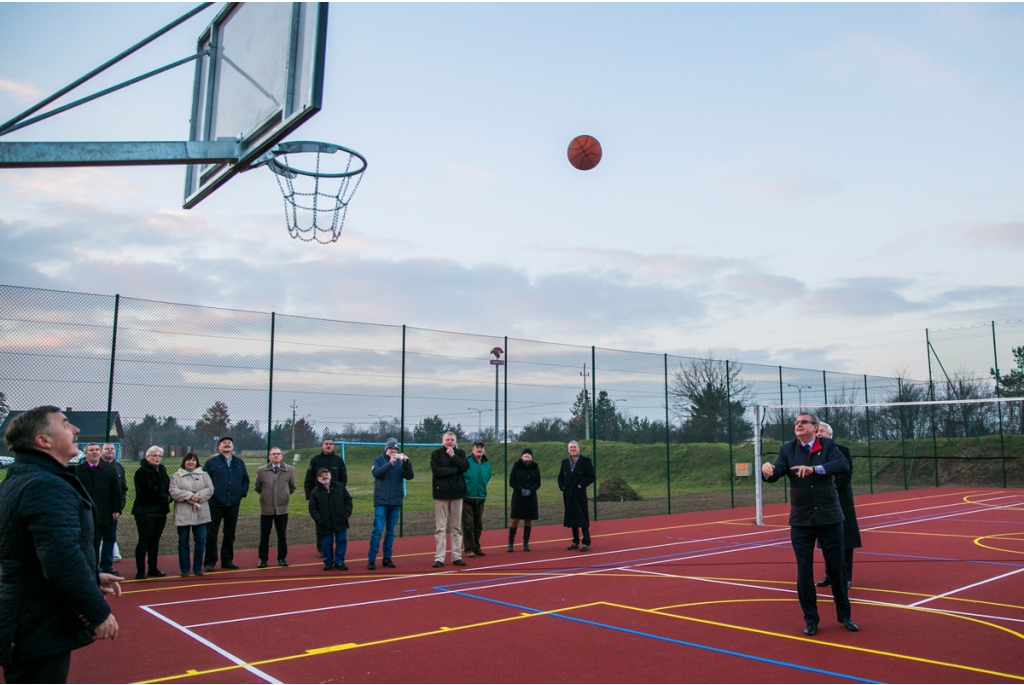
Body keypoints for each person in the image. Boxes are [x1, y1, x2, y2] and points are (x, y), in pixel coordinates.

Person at [0, 406, 121, 684]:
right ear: (44, 441)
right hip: (37, 626)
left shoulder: (24, 477)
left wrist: (91, 575)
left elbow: (34, 552)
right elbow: (60, 558)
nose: (76, 429)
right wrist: (97, 613)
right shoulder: (46, 484)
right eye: (66, 424)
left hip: (30, 621)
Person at [761, 412, 858, 636]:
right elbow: (776, 474)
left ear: (815, 428)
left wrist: (815, 469)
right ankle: (811, 620)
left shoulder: (828, 446)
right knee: (804, 572)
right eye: (796, 423)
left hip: (830, 518)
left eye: (803, 422)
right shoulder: (787, 450)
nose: (798, 426)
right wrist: (768, 472)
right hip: (801, 520)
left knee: (837, 570)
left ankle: (845, 615)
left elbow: (841, 464)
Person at [816, 422, 862, 590]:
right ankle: (830, 575)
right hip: (822, 504)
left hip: (841, 502)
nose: (819, 433)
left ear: (830, 434)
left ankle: (845, 577)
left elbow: (844, 477)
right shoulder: (813, 453)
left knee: (845, 542)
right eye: (817, 431)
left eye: (822, 431)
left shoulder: (843, 451)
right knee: (826, 540)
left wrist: (826, 486)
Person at [74, 442, 123, 574]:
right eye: (91, 450)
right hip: (87, 513)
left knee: (109, 539)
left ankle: (107, 566)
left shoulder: (109, 469)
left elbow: (116, 491)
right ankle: (92, 566)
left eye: (97, 450)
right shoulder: (78, 471)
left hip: (107, 512)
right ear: (85, 454)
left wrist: (116, 509)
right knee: (91, 541)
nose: (95, 452)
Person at [203, 436, 250, 571]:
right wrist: (212, 495)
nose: (227, 445)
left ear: (233, 447)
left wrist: (242, 492)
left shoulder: (239, 463)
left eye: (229, 443)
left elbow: (245, 480)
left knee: (230, 533)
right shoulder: (211, 462)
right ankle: (210, 561)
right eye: (224, 443)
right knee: (212, 533)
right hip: (215, 504)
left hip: (233, 503)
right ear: (219, 447)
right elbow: (205, 480)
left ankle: (227, 560)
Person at [368, 437, 414, 570]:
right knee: (377, 530)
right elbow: (377, 473)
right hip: (381, 501)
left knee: (390, 531)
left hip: (395, 500)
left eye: (395, 449)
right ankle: (371, 559)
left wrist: (406, 463)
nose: (393, 451)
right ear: (386, 449)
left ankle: (387, 558)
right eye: (391, 448)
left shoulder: (400, 462)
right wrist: (390, 464)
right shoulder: (378, 460)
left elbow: (410, 476)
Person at [168, 453, 214, 577]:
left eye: (193, 460)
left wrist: (197, 498)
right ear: (184, 462)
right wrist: (189, 496)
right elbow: (173, 492)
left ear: (196, 462)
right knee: (183, 541)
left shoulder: (204, 475)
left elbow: (210, 489)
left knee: (200, 540)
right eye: (188, 460)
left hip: (201, 513)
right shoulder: (175, 477)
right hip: (183, 513)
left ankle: (198, 567)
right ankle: (184, 569)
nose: (191, 462)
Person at [430, 431, 470, 568]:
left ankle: (456, 556)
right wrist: (454, 470)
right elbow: (437, 471)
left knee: (456, 527)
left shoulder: (461, 454)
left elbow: (464, 467)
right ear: (442, 441)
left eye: (452, 440)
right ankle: (439, 558)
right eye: (447, 439)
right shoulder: (436, 454)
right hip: (441, 495)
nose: (449, 442)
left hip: (457, 494)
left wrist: (453, 457)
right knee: (440, 528)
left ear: (455, 441)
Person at [303, 438, 347, 558]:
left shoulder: (338, 461)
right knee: (321, 524)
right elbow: (308, 479)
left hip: (335, 498)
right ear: (322, 446)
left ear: (333, 446)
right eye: (326, 444)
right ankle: (321, 548)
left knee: (337, 524)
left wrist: (341, 493)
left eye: (331, 444)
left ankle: (338, 550)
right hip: (320, 498)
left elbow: (343, 478)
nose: (328, 446)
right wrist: (309, 496)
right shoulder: (315, 460)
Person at [255, 447, 297, 568]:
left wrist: (284, 496)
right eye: (273, 454)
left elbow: (292, 487)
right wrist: (266, 497)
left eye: (278, 454)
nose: (276, 456)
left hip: (282, 509)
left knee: (282, 535)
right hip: (266, 509)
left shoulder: (289, 470)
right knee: (264, 536)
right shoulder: (261, 471)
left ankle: (282, 558)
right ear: (269, 457)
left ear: (282, 456)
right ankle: (263, 559)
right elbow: (258, 487)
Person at [133, 445, 171, 580]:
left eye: (159, 456)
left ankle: (153, 568)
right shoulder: (141, 472)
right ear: (147, 457)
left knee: (155, 541)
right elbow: (144, 492)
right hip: (145, 511)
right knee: (144, 540)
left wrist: (169, 497)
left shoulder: (162, 471)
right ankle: (140, 570)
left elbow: (168, 487)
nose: (157, 458)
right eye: (154, 455)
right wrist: (163, 498)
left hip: (161, 511)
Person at [308, 467, 353, 571]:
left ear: (330, 475)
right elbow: (312, 508)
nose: (324, 476)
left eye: (326, 474)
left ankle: (339, 562)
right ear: (318, 478)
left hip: (340, 520)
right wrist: (319, 520)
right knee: (326, 543)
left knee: (341, 541)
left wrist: (347, 514)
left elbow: (348, 500)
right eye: (321, 475)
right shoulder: (315, 492)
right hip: (325, 523)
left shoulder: (340, 487)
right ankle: (328, 562)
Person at [558, 440, 595, 551]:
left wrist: (582, 484)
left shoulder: (586, 461)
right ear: (568, 450)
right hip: (568, 494)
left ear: (579, 449)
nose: (573, 449)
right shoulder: (565, 462)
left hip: (579, 493)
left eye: (574, 447)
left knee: (582, 516)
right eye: (571, 447)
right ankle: (575, 541)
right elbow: (560, 477)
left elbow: (591, 476)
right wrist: (562, 487)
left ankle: (586, 542)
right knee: (572, 517)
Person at [462, 440, 492, 558]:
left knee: (478, 524)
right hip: (467, 497)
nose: (479, 449)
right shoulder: (467, 462)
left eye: (481, 447)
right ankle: (469, 548)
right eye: (477, 447)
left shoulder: (486, 464)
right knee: (468, 524)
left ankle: (476, 546)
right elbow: (462, 476)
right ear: (472, 450)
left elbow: (488, 475)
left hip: (480, 497)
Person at [508, 447, 541, 552]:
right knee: (515, 520)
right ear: (521, 456)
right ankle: (510, 543)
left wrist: (530, 491)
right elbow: (512, 481)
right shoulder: (516, 466)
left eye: (529, 454)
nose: (527, 455)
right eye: (525, 454)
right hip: (518, 497)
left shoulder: (535, 467)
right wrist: (521, 490)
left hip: (530, 498)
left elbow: (538, 483)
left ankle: (526, 543)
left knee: (528, 521)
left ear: (531, 457)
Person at [100, 442, 128, 564]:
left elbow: (123, 489)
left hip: (113, 511)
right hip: (99, 509)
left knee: (110, 538)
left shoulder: (119, 467)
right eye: (107, 448)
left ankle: (107, 566)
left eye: (112, 448)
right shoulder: (97, 466)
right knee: (94, 538)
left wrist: (119, 507)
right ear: (102, 451)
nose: (110, 450)